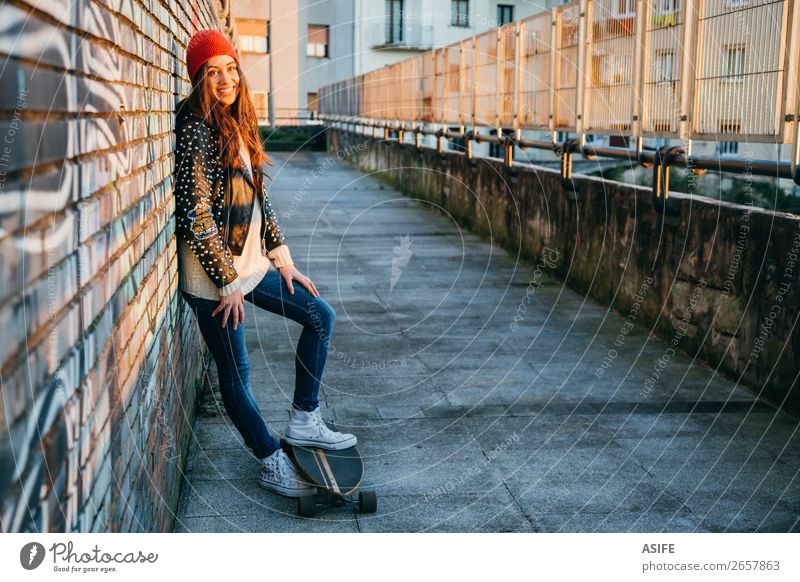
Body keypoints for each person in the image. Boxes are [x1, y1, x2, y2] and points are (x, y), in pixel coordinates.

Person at [173, 29, 356, 498]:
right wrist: (226, 280)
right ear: (198, 80)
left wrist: (283, 259)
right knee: (237, 374)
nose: (224, 79)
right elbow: (195, 210)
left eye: (230, 68)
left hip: (250, 264)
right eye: (211, 72)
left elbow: (259, 198)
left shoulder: (238, 118)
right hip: (215, 276)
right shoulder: (195, 125)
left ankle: (304, 419)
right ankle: (271, 459)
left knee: (320, 316)